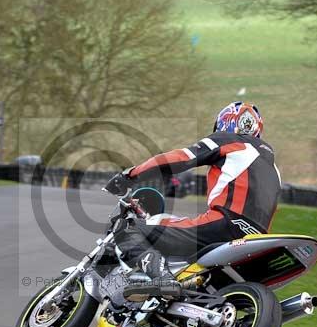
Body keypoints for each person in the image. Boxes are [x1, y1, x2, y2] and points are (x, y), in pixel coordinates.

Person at [103, 101, 282, 297]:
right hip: (256, 237)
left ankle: (161, 278)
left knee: (128, 227)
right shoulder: (274, 170)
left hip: (223, 224)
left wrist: (130, 175)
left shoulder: (228, 140)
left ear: (226, 122)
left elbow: (181, 158)